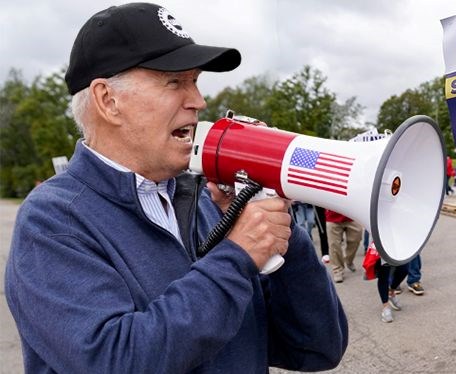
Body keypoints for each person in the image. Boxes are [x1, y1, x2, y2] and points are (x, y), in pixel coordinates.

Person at [4, 4, 348, 373]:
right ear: (108, 100)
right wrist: (237, 256)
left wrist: (279, 233)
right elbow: (114, 360)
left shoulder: (205, 204)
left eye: (196, 81)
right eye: (174, 82)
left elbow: (317, 348)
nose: (198, 101)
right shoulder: (53, 220)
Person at [326, 209, 362, 283]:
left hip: (352, 215)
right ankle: (337, 270)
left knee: (356, 239)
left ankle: (349, 260)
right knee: (334, 245)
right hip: (333, 216)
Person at [375, 251, 409, 323]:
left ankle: (391, 292)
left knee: (404, 269)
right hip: (381, 245)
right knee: (383, 274)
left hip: (397, 244)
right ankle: (385, 306)